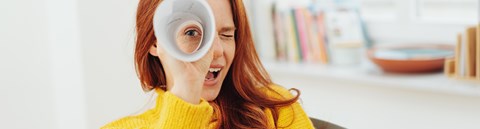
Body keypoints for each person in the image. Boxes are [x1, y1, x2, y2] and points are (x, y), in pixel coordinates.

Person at [102, 0, 314, 128]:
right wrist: (186, 93)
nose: (217, 50)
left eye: (226, 34)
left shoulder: (275, 109)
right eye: (192, 33)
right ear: (155, 42)